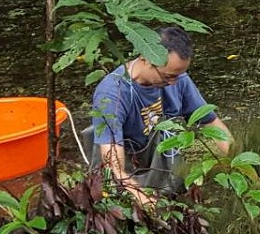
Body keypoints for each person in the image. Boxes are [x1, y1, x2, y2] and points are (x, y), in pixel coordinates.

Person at [88, 26, 231, 203]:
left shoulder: (178, 78)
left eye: (178, 76)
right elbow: (113, 166)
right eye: (168, 76)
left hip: (162, 158)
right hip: (127, 167)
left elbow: (214, 126)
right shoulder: (112, 94)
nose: (173, 84)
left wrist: (228, 160)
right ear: (145, 58)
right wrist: (143, 200)